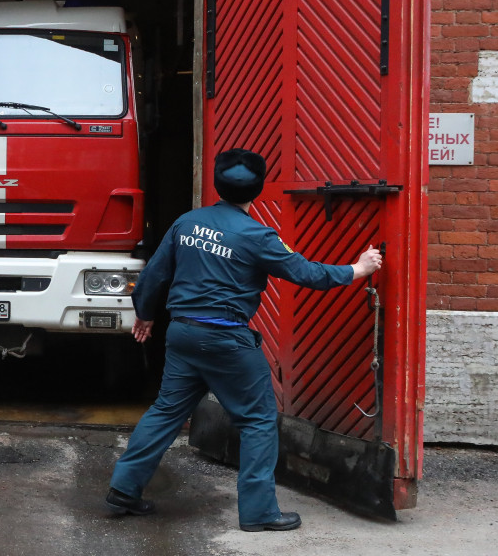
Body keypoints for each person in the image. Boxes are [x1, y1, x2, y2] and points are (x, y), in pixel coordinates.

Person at [105, 148, 382, 531]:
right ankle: (258, 512)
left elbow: (154, 274)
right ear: (258, 189)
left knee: (166, 411)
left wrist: (146, 314)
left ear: (217, 185)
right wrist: (358, 268)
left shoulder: (187, 223)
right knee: (257, 420)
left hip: (184, 334)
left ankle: (124, 488)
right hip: (227, 340)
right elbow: (307, 273)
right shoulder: (257, 235)